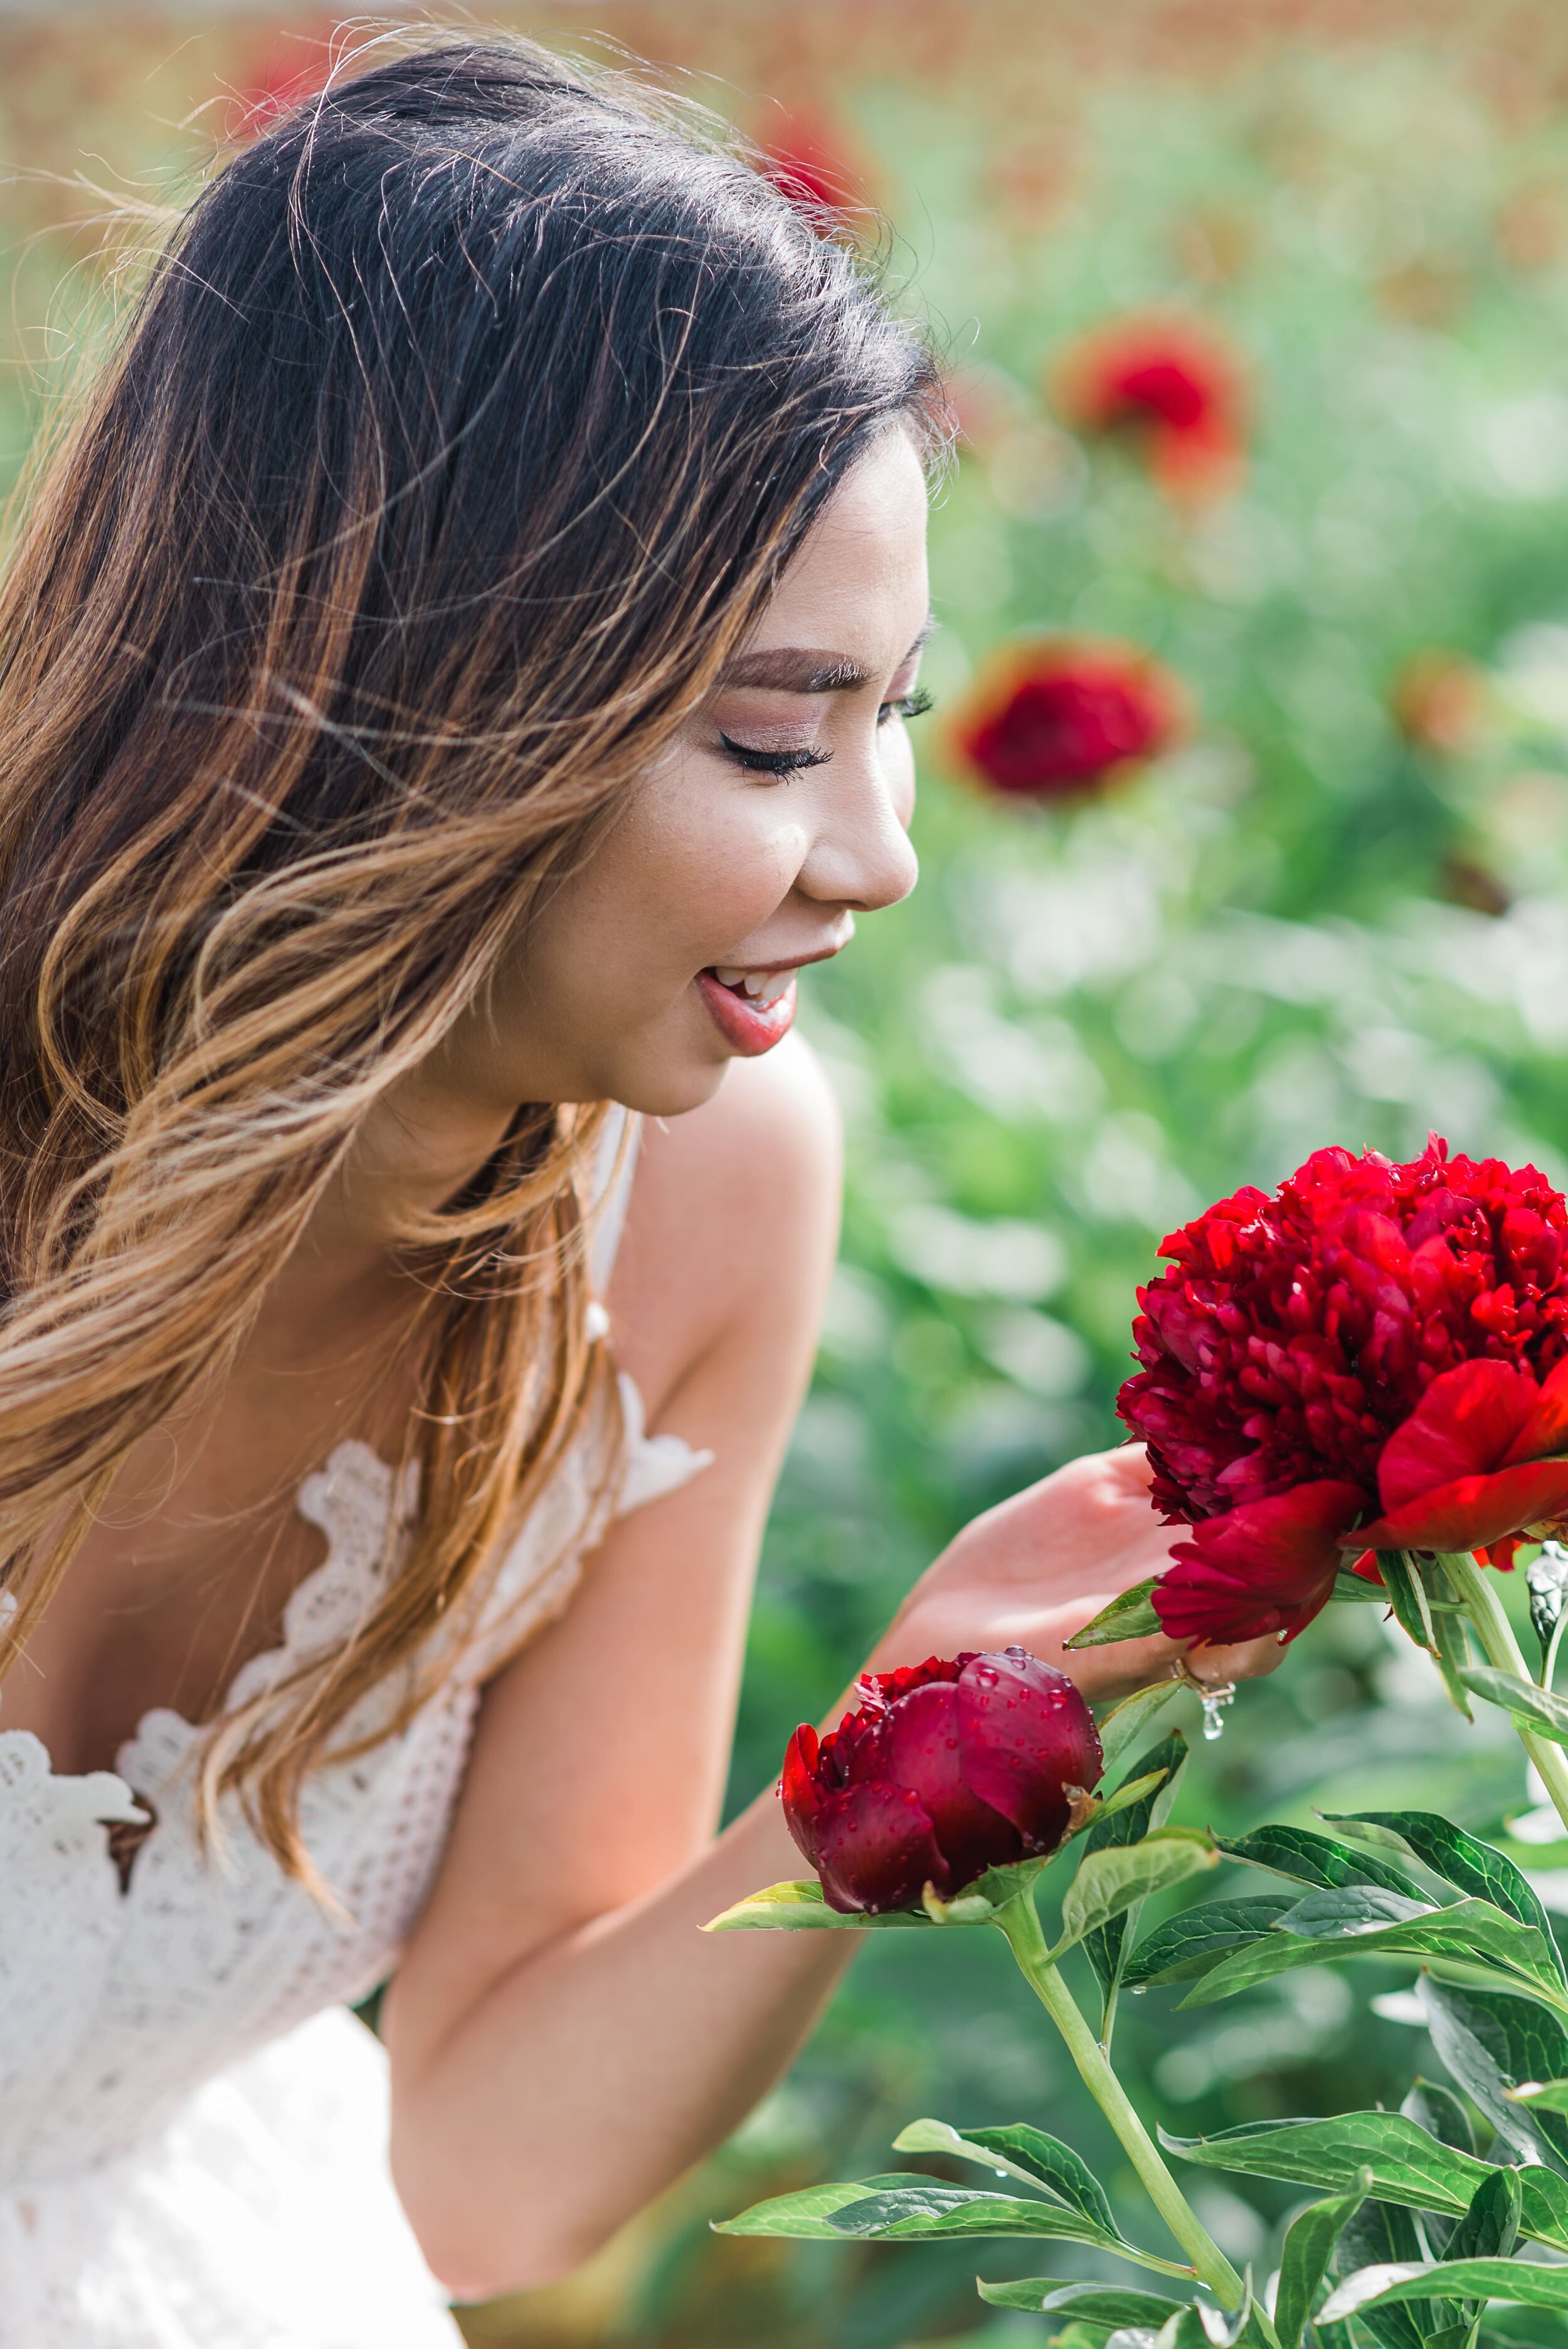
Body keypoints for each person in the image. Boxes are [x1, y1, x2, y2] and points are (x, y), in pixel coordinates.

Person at [0, 36, 1275, 2345]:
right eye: (774, 737)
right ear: (415, 681)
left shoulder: (707, 1186)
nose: (877, 858)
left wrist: (913, 1732)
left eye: (896, 713)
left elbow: (479, 2163)